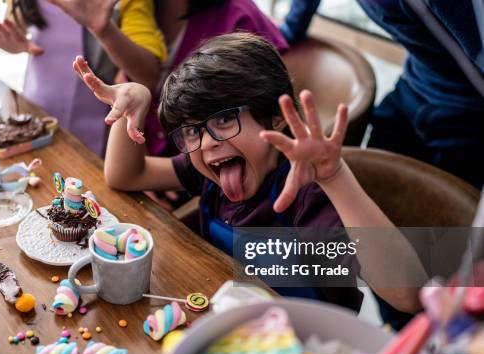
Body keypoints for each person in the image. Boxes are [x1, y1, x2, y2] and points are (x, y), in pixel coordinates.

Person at [73, 33, 427, 314]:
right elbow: (126, 175)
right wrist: (135, 100)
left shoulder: (308, 193)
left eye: (224, 119)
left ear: (274, 114)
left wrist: (334, 178)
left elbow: (407, 294)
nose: (207, 142)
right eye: (191, 130)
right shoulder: (207, 171)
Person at [280, 0, 484, 329]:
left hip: (469, 116)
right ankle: (396, 325)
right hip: (418, 89)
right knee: (368, 218)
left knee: (448, 261)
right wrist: (281, 41)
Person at [43, 0, 288, 156]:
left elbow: (263, 116)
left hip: (203, 167)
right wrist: (103, 29)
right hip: (142, 157)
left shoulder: (240, 18)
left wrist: (177, 172)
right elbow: (135, 80)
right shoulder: (134, 0)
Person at [0, 0, 165, 156]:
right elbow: (17, 24)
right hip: (33, 116)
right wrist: (15, 43)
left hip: (98, 134)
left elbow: (148, 76)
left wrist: (104, 30)